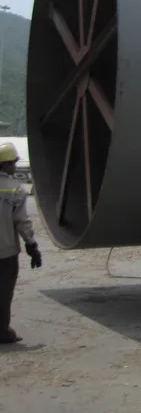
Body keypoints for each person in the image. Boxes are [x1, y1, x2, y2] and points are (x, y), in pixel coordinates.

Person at [0, 141, 42, 344]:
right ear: (5, 165)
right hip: (6, 252)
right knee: (3, 293)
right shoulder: (15, 189)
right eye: (13, 163)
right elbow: (22, 221)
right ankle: (2, 332)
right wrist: (31, 244)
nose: (15, 166)